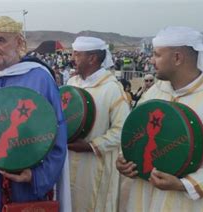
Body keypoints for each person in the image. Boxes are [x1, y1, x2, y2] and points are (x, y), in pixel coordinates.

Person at [0, 16, 71, 212]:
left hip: (21, 181)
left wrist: (36, 176)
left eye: (1, 40)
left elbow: (57, 133)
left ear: (18, 42)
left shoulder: (40, 78)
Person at [117, 26, 203, 212]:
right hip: (144, 198)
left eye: (157, 55)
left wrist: (184, 184)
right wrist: (124, 159)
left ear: (177, 58)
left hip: (190, 204)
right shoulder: (154, 91)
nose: (151, 60)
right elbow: (134, 130)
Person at [66, 36, 130, 212]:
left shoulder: (112, 89)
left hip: (95, 166)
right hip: (68, 160)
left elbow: (122, 130)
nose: (72, 58)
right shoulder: (72, 83)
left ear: (92, 58)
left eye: (77, 54)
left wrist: (90, 146)